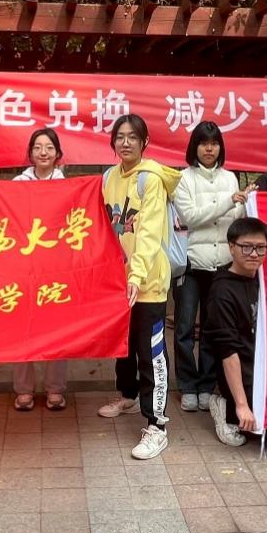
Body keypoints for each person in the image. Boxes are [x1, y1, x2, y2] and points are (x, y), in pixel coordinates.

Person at [97, 114, 182, 460]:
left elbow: (148, 232)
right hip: (118, 281)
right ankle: (128, 396)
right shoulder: (108, 177)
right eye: (120, 136)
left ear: (145, 142)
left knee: (151, 353)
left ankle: (157, 425)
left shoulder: (151, 179)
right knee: (124, 346)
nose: (126, 143)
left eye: (133, 137)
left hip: (148, 282)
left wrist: (136, 275)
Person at [172, 121, 251, 412]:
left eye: (214, 143)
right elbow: (190, 217)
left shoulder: (230, 178)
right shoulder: (184, 178)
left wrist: (245, 202)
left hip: (222, 265)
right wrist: (229, 202)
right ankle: (187, 386)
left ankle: (206, 385)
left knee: (211, 328)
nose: (209, 148)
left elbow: (235, 219)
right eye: (204, 143)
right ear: (194, 147)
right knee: (183, 328)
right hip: (192, 263)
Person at [10, 128, 69, 412]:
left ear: (58, 154)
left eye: (49, 147)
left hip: (55, 269)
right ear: (30, 153)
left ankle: (55, 389)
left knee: (56, 329)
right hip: (23, 269)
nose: (43, 152)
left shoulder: (68, 187)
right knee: (23, 329)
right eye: (37, 147)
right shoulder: (17, 184)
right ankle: (24, 390)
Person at [206, 217, 267, 447]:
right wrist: (242, 405)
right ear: (231, 247)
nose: (254, 254)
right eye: (246, 247)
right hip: (242, 371)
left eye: (260, 247)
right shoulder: (222, 291)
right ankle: (227, 408)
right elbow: (227, 351)